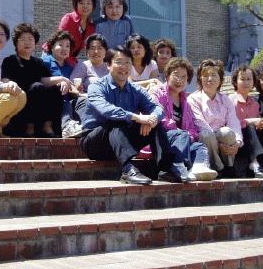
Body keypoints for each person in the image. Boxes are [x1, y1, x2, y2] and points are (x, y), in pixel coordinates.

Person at [80, 46, 188, 185]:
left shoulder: (135, 89)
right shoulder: (96, 87)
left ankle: (165, 168)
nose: (124, 67)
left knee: (155, 124)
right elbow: (107, 110)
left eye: (128, 62)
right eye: (119, 62)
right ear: (108, 65)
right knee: (116, 121)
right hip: (95, 144)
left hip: (122, 142)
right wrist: (137, 117)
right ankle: (127, 170)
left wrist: (152, 119)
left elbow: (157, 108)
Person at [1, 22, 74, 138]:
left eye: (30, 39)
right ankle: (29, 128)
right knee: (36, 87)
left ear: (35, 43)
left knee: (55, 88)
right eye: (23, 39)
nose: (27, 42)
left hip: (37, 104)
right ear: (16, 43)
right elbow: (5, 79)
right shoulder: (10, 61)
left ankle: (47, 126)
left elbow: (45, 79)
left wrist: (61, 80)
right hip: (19, 104)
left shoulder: (38, 62)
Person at [151, 57, 218, 181]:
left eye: (184, 77)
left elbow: (192, 128)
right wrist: (180, 132)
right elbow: (156, 115)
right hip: (162, 137)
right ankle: (178, 167)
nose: (180, 80)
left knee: (199, 146)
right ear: (167, 76)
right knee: (182, 135)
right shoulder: (157, 92)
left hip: (182, 140)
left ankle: (199, 168)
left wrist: (188, 136)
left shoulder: (186, 102)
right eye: (176, 75)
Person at [187, 59, 243, 177]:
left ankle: (229, 166)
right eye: (205, 75)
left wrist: (237, 143)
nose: (209, 79)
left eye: (213, 75)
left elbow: (234, 123)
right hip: (204, 137)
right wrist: (216, 143)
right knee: (206, 134)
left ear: (220, 79)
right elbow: (200, 123)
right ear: (200, 79)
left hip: (220, 137)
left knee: (227, 132)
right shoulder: (193, 99)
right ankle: (218, 168)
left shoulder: (226, 100)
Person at [61, 34, 110, 138]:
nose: (96, 51)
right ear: (87, 51)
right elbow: (72, 86)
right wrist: (80, 93)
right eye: (92, 48)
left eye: (99, 48)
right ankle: (87, 129)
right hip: (86, 99)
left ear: (105, 51)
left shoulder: (110, 68)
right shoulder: (83, 65)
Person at [229, 64, 263, 178]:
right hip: (238, 140)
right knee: (249, 127)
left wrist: (261, 123)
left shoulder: (255, 103)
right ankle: (255, 164)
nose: (246, 82)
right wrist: (249, 121)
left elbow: (256, 124)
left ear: (253, 82)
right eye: (242, 79)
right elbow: (229, 124)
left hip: (252, 139)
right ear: (235, 82)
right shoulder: (230, 100)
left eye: (249, 79)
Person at [42, 0, 97, 66]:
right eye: (81, 3)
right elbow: (59, 40)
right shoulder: (68, 18)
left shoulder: (91, 26)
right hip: (52, 55)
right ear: (76, 5)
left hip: (69, 58)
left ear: (93, 5)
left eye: (88, 3)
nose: (85, 6)